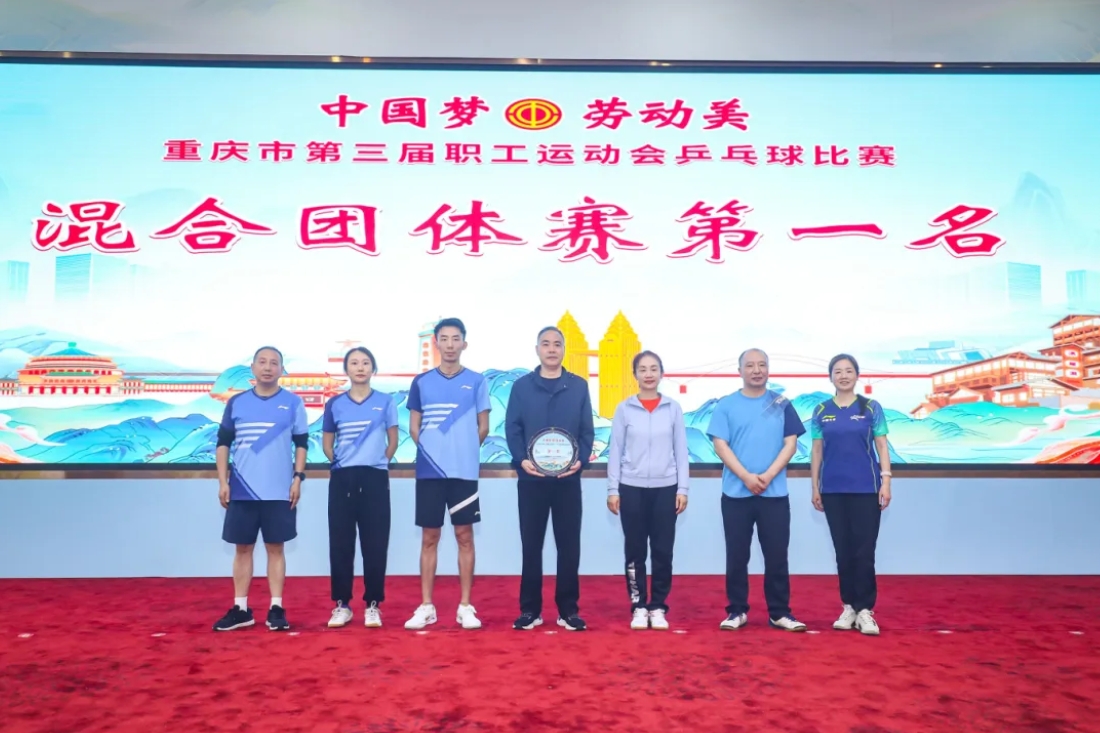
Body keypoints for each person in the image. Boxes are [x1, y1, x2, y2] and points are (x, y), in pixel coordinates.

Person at [707, 348, 807, 632]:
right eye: (750, 365)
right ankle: (736, 610)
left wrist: (767, 476)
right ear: (739, 371)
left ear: (768, 369)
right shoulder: (726, 405)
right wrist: (746, 477)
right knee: (737, 555)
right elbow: (720, 445)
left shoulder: (781, 403)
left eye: (762, 365)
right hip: (736, 494)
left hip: (774, 495)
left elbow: (791, 444)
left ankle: (780, 612)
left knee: (777, 556)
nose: (756, 370)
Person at [505, 325, 595, 632]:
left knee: (569, 547)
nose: (552, 349)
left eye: (557, 344)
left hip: (568, 480)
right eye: (546, 343)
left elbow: (587, 432)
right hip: (531, 480)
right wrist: (522, 459)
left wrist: (579, 459)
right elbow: (513, 429)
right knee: (531, 546)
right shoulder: (521, 387)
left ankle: (568, 610)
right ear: (537, 350)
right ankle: (530, 610)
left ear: (564, 349)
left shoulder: (579, 387)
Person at [213, 346, 309, 632]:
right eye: (263, 362)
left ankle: (276, 608)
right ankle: (241, 609)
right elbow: (223, 443)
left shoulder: (293, 403)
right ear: (253, 368)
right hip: (242, 489)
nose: (268, 367)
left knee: (275, 548)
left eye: (274, 363)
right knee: (242, 549)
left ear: (281, 370)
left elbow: (301, 444)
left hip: (279, 491)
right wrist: (222, 481)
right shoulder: (237, 403)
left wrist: (297, 478)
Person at [404, 318, 490, 631]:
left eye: (456, 339)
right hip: (430, 472)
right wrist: (434, 452)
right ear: (436, 343)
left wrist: (462, 452)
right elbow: (414, 427)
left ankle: (465, 606)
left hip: (464, 473)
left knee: (464, 536)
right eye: (445, 338)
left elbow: (483, 427)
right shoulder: (421, 382)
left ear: (464, 343)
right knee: (430, 537)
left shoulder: (477, 381)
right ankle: (426, 606)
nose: (450, 344)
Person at [607, 350, 690, 631]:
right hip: (631, 488)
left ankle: (658, 606)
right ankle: (639, 606)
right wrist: (613, 489)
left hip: (666, 488)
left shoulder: (673, 408)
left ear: (662, 373)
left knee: (663, 551)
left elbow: (681, 451)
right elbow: (615, 450)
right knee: (635, 551)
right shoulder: (624, 409)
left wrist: (683, 488)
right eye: (643, 369)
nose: (649, 374)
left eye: (654, 368)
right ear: (635, 375)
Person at [810, 353, 892, 636]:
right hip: (833, 490)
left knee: (864, 552)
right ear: (830, 377)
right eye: (838, 371)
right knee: (843, 551)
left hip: (866, 489)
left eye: (848, 371)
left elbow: (882, 445)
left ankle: (865, 610)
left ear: (857, 375)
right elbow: (817, 450)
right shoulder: (821, 410)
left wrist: (886, 481)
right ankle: (849, 607)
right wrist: (815, 486)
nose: (843, 376)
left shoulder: (870, 407)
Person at [322, 346, 399, 629]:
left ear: (373, 369)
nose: (360, 367)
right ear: (346, 369)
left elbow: (393, 440)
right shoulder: (335, 404)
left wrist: (377, 461)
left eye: (366, 363)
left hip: (374, 478)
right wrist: (342, 461)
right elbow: (327, 442)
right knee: (341, 543)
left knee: (375, 543)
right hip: (343, 478)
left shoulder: (386, 402)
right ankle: (342, 604)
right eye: (354, 363)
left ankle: (373, 604)